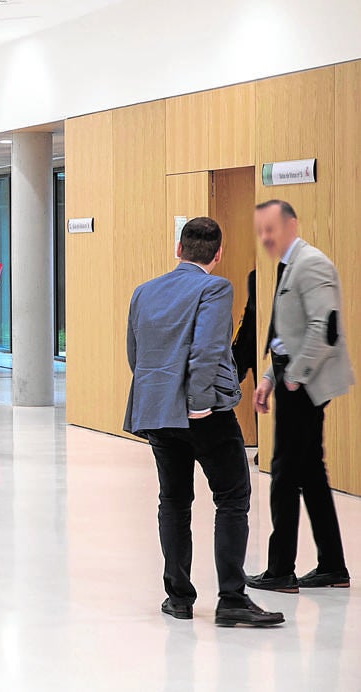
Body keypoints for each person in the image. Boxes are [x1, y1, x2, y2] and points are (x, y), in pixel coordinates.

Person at [124, 216, 283, 628]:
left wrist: (159, 397)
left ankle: (178, 598)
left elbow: (135, 355)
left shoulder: (144, 291)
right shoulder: (215, 287)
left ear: (179, 249)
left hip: (158, 412)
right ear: (218, 253)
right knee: (232, 498)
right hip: (203, 413)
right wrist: (196, 402)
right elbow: (209, 349)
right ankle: (231, 598)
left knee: (173, 501)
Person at [247, 200, 354, 593]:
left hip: (305, 387)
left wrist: (294, 377)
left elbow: (324, 328)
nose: (265, 237)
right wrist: (269, 378)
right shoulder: (289, 265)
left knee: (284, 473)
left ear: (291, 224)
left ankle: (280, 570)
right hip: (292, 381)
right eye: (260, 230)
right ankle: (333, 566)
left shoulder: (313, 263)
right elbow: (284, 333)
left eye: (271, 228)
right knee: (310, 472)